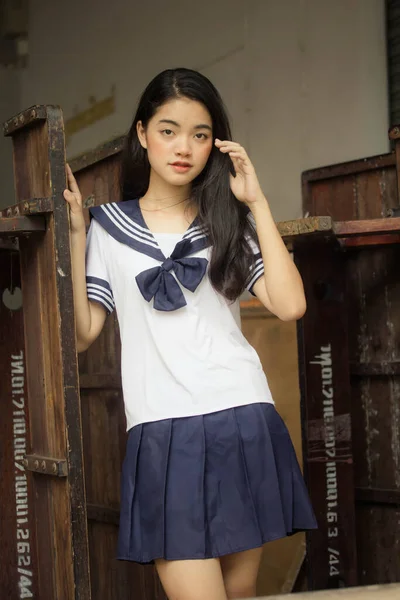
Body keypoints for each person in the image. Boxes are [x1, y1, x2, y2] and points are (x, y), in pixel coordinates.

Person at [64, 67, 317, 600]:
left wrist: (257, 202)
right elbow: (83, 334)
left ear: (215, 145)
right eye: (169, 130)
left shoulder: (226, 218)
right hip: (161, 432)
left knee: (241, 591)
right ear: (141, 134)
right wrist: (72, 238)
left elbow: (291, 304)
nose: (184, 147)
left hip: (241, 416)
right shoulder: (108, 226)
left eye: (200, 135)